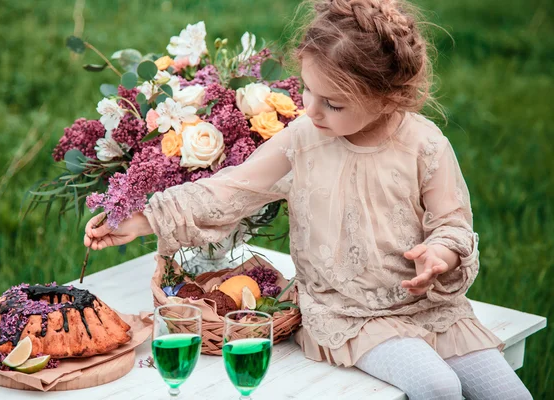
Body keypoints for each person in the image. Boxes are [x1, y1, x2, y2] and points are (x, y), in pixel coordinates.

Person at [84, 1, 533, 398]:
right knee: (437, 387)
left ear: (387, 97)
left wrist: (441, 253)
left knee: (508, 393)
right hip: (348, 312)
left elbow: (452, 221)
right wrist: (142, 219)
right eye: (306, 90)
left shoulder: (425, 144)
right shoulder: (302, 138)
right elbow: (231, 188)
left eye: (333, 103)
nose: (311, 110)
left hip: (433, 308)